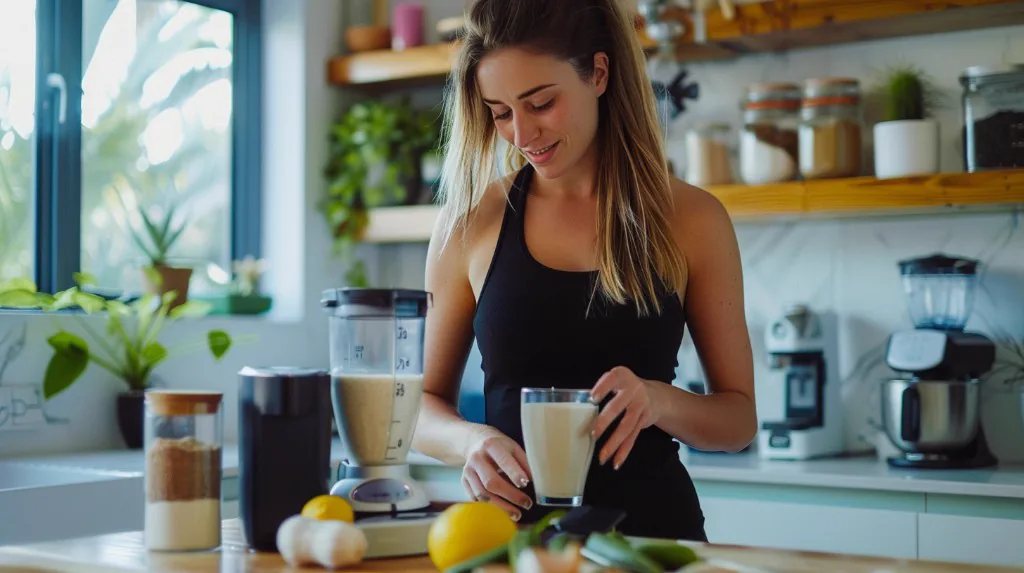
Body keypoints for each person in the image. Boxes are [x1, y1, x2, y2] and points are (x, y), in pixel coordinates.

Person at [411, 0, 756, 541]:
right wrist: (470, 443)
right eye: (500, 112)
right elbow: (422, 406)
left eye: (541, 103)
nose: (522, 134)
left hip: (653, 542)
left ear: (598, 73)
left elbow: (738, 422)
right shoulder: (468, 225)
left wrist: (657, 400)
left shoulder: (691, 219)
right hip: (513, 546)